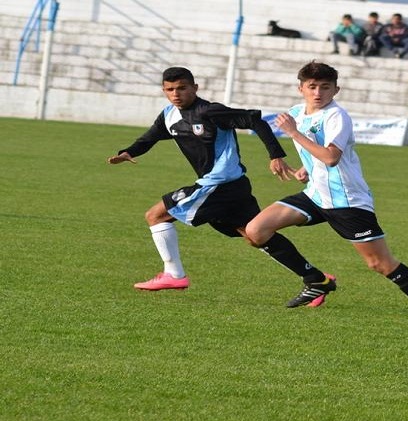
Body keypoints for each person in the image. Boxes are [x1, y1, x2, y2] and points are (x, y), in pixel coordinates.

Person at [243, 62, 408, 341]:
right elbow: (318, 158)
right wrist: (306, 169)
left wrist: (294, 134)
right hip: (315, 195)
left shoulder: (336, 117)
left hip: (346, 201)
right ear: (301, 88)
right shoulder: (297, 112)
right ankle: (316, 280)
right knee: (256, 230)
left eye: (325, 87)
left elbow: (332, 158)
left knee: (380, 264)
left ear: (336, 89)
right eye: (312, 86)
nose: (318, 92)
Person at [106, 67, 293, 290]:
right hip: (234, 187)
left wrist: (276, 155)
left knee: (156, 215)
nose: (176, 94)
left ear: (195, 88)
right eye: (170, 89)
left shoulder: (210, 112)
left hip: (219, 184)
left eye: (182, 88)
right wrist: (129, 152)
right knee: (255, 235)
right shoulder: (169, 115)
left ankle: (174, 275)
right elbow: (149, 138)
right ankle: (315, 277)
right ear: (164, 91)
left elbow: (255, 121)